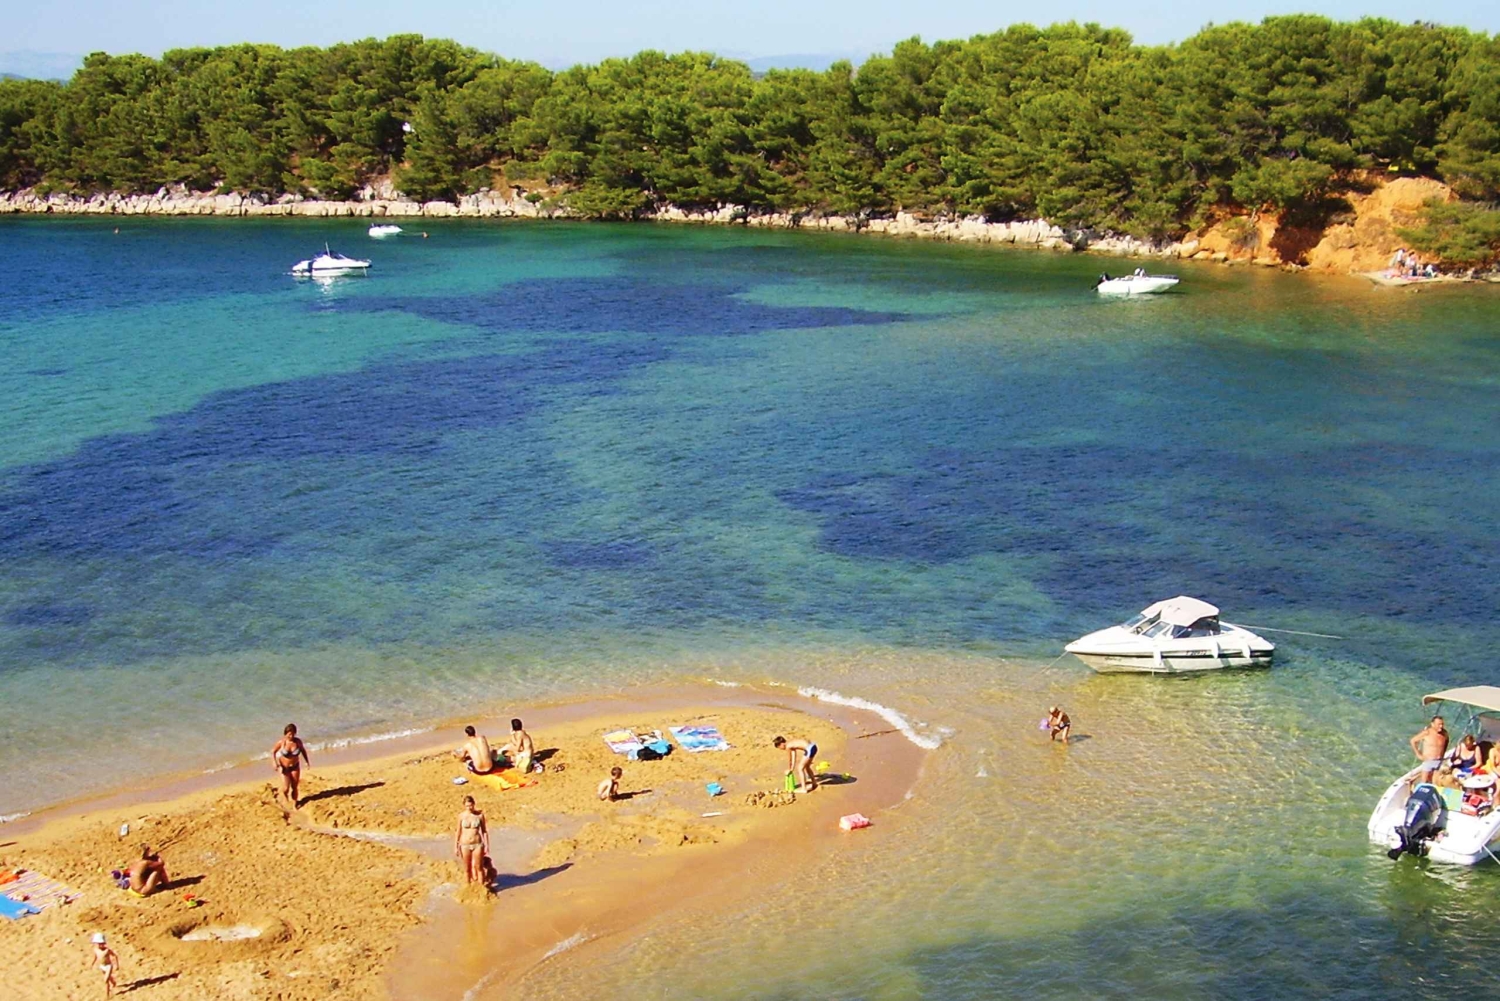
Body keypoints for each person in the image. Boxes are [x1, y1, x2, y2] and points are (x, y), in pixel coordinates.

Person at [271, 723, 310, 810]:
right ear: (285, 734)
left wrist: (307, 762)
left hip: (295, 767)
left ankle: (294, 804)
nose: (291, 736)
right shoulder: (281, 742)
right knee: (285, 788)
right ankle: (285, 798)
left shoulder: (298, 742)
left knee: (295, 786)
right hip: (284, 768)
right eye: (289, 734)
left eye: (293, 734)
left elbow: (303, 751)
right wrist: (274, 762)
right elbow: (273, 751)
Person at [453, 795, 488, 885]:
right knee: (467, 868)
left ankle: (481, 888)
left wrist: (487, 845)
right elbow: (458, 831)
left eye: (471, 805)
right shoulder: (461, 816)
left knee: (479, 867)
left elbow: (484, 831)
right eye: (467, 806)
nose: (469, 808)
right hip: (464, 845)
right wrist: (456, 847)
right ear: (464, 806)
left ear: (474, 804)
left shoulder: (480, 816)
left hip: (477, 844)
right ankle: (468, 886)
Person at [1410, 715, 1449, 785]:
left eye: (1442, 724)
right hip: (1428, 761)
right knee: (1423, 782)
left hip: (1439, 761)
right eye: (1438, 724)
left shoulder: (1444, 733)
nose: (1441, 726)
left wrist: (1442, 755)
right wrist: (1418, 754)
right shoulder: (1427, 733)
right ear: (1432, 724)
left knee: (1435, 783)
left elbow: (1446, 743)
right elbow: (1413, 741)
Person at [90, 933, 119, 999]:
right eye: (98, 943)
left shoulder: (107, 950)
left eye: (102, 943)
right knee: (108, 978)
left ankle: (107, 995)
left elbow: (115, 956)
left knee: (106, 980)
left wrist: (117, 965)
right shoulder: (95, 950)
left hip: (108, 966)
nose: (100, 945)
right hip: (101, 966)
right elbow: (95, 957)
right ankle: (113, 982)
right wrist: (92, 963)